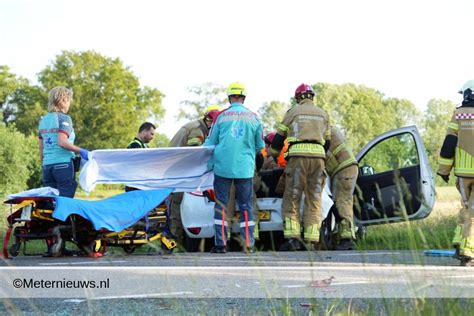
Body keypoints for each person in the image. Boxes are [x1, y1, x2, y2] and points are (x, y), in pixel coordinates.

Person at [204, 82, 264, 253]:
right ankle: (248, 244)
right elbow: (260, 146)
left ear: (229, 97)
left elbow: (210, 143)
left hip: (222, 167)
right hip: (245, 169)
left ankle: (221, 244)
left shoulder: (221, 117)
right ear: (244, 98)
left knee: (221, 205)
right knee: (246, 206)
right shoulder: (254, 118)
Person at [271, 83, 330, 251]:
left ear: (298, 98)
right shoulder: (323, 114)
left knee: (293, 197)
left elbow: (278, 139)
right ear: (312, 97)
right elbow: (329, 142)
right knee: (314, 199)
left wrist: (274, 155)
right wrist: (319, 154)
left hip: (298, 158)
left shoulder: (293, 112)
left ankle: (293, 239)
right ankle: (311, 240)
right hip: (318, 159)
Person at [168, 105, 222, 247]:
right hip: (179, 172)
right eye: (214, 124)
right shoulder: (195, 130)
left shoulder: (204, 128)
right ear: (208, 120)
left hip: (187, 171)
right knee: (177, 205)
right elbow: (196, 154)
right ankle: (175, 241)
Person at [437, 80, 474, 266]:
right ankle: (469, 252)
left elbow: (449, 144)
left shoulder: (459, 115)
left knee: (467, 209)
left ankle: (460, 244)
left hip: (463, 175)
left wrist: (444, 170)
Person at [38, 86, 89, 198]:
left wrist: (45, 164)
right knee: (65, 201)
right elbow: (62, 142)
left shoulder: (43, 121)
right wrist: (81, 151)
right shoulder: (64, 119)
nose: (69, 104)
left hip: (47, 167)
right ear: (64, 100)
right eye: (69, 101)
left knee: (50, 201)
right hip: (63, 165)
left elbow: (41, 149)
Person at [326, 126, 358, 250]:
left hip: (343, 169)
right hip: (347, 168)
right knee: (343, 202)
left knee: (342, 202)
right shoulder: (328, 127)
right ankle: (342, 237)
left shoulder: (320, 129)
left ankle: (347, 240)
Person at [124, 122, 156, 192]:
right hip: (134, 186)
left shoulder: (145, 146)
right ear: (144, 132)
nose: (152, 137)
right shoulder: (135, 144)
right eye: (151, 134)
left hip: (141, 185)